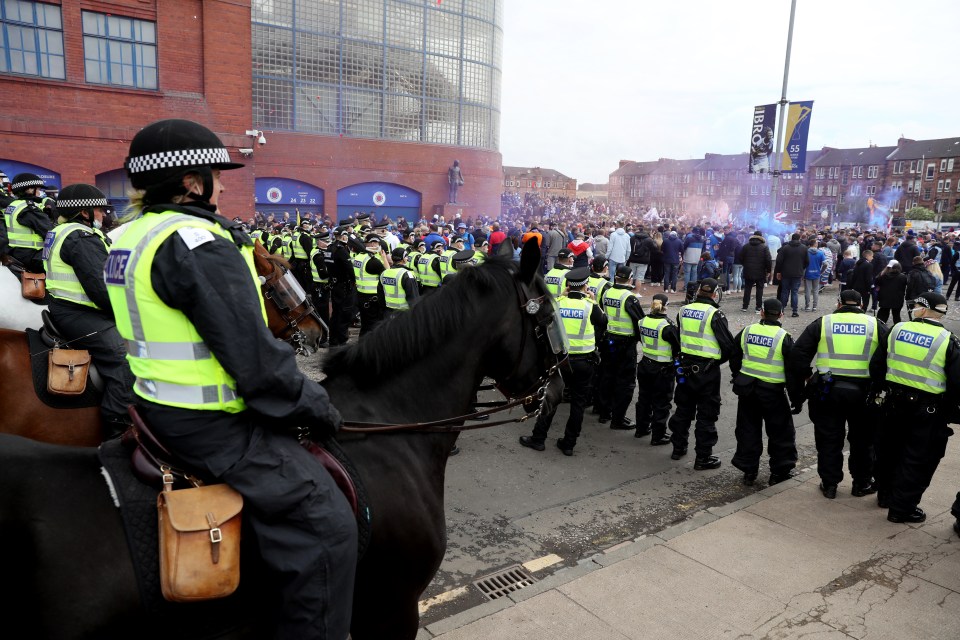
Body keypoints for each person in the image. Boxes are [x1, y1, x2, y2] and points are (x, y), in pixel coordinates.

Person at [104, 119, 356, 638]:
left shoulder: (127, 234)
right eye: (216, 175)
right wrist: (314, 404)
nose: (223, 184)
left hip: (151, 404)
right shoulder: (196, 242)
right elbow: (257, 362)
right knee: (324, 524)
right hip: (210, 423)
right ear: (191, 183)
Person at [43, 184, 135, 439]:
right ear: (84, 212)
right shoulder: (81, 238)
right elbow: (102, 291)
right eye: (98, 209)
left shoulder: (61, 230)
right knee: (124, 359)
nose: (103, 214)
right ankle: (120, 427)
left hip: (69, 309)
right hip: (82, 314)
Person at [787, 289, 889, 500]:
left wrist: (807, 377)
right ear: (862, 305)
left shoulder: (823, 323)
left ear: (838, 303)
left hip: (827, 391)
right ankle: (861, 483)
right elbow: (891, 355)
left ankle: (830, 484)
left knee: (829, 439)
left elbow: (798, 354)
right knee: (863, 440)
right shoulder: (875, 324)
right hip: (864, 393)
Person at [871, 292, 960, 524]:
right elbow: (957, 383)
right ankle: (901, 508)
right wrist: (948, 411)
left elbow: (877, 365)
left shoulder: (897, 329)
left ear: (923, 308)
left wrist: (882, 389)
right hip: (927, 411)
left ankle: (885, 496)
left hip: (892, 403)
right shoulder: (947, 339)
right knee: (917, 459)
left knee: (889, 451)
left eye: (916, 305)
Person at [518, 267, 606, 456]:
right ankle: (568, 444)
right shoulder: (590, 306)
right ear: (585, 286)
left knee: (550, 399)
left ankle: (538, 439)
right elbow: (603, 322)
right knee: (578, 403)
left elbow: (542, 323)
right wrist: (594, 300)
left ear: (567, 286)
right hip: (584, 362)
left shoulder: (557, 303)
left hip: (559, 360)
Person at [729, 298, 802, 486]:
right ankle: (779, 472)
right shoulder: (783, 337)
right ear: (781, 315)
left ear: (762, 313)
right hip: (772, 392)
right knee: (780, 432)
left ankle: (749, 470)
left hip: (747, 390)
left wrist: (738, 376)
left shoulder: (747, 331)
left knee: (748, 430)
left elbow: (734, 356)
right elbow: (792, 370)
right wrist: (796, 398)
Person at [667, 278, 736, 469]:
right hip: (707, 371)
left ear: (698, 291)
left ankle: (678, 448)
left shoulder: (683, 310)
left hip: (685, 368)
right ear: (715, 294)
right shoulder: (715, 314)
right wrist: (715, 362)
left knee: (683, 410)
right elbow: (728, 347)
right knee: (706, 414)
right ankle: (703, 458)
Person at [598, 265, 644, 430]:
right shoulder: (629, 298)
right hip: (625, 344)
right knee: (625, 382)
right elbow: (640, 323)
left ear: (616, 277)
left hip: (609, 340)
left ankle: (604, 413)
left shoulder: (607, 292)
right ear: (630, 279)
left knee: (607, 376)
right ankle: (618, 419)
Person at [635, 293, 680, 445]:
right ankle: (658, 436)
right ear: (665, 306)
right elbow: (678, 347)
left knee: (644, 399)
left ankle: (641, 429)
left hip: (645, 364)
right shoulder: (667, 326)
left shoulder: (642, 321)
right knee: (661, 403)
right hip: (662, 369)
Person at [3, 172, 54, 272]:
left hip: (16, 251)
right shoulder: (29, 209)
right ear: (29, 189)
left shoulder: (14, 205)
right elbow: (50, 233)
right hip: (32, 254)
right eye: (38, 189)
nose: (39, 193)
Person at [327, 226, 359, 347]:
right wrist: (354, 281)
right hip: (344, 286)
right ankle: (341, 340)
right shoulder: (341, 250)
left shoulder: (329, 248)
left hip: (335, 285)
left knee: (336, 313)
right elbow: (349, 268)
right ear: (344, 236)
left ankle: (333, 339)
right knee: (344, 314)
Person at [354, 233, 388, 336]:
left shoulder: (359, 257)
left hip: (361, 295)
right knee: (373, 327)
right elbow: (388, 274)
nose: (379, 246)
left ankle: (361, 349)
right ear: (373, 244)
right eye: (378, 243)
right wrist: (384, 258)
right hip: (373, 298)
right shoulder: (373, 261)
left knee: (365, 325)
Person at [775, 233, 809, 318]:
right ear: (799, 238)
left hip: (785, 272)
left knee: (785, 291)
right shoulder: (804, 248)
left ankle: (782, 309)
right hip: (798, 272)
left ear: (791, 238)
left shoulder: (785, 248)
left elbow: (779, 260)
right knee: (794, 292)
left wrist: (779, 271)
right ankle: (794, 311)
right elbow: (807, 261)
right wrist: (801, 268)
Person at [380, 246, 419, 315]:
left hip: (388, 312)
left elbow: (380, 295)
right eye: (406, 257)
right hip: (404, 313)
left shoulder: (384, 273)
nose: (407, 259)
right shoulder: (407, 274)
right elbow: (413, 298)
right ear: (403, 259)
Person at [739, 230, 771, 313]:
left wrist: (745, 264)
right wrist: (768, 270)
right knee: (759, 289)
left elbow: (741, 257)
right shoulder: (764, 247)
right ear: (761, 237)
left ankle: (745, 306)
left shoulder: (746, 246)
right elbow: (768, 259)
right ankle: (758, 307)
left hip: (748, 270)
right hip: (760, 271)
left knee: (747, 289)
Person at [309, 232, 332, 346]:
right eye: (326, 241)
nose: (328, 243)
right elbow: (323, 274)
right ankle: (322, 339)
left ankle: (319, 337)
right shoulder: (319, 255)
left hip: (318, 286)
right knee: (322, 313)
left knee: (319, 311)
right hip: (320, 286)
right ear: (319, 242)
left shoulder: (316, 251)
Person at [876, 259, 907, 324]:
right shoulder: (903, 277)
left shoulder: (883, 275)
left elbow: (877, 282)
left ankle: (880, 327)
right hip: (897, 298)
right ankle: (897, 328)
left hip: (884, 298)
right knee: (896, 315)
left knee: (883, 315)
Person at [803, 238, 826, 312]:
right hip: (817, 273)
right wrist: (821, 271)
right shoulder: (820, 253)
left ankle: (807, 306)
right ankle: (814, 307)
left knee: (807, 290)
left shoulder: (806, 252)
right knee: (816, 290)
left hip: (807, 273)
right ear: (815, 244)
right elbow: (825, 263)